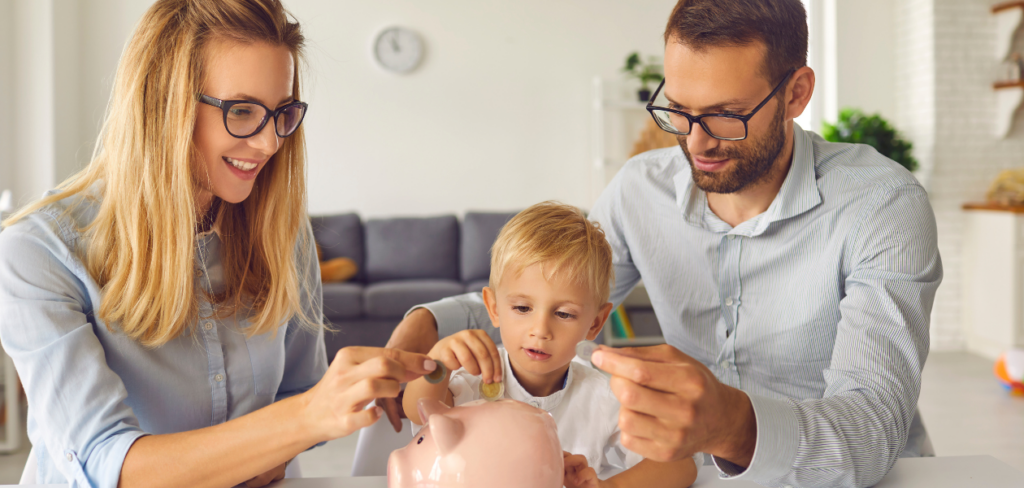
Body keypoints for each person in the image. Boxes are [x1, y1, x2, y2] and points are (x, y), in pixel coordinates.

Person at [380, 1, 942, 487]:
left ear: (796, 93)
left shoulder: (882, 204)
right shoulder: (639, 189)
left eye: (725, 116)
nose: (695, 143)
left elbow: (873, 428)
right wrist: (429, 320)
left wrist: (732, 425)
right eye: (678, 109)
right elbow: (544, 293)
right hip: (694, 475)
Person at [0, 1, 435, 487]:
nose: (271, 143)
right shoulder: (38, 252)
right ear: (163, 104)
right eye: (242, 110)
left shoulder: (283, 235)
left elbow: (299, 392)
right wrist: (305, 418)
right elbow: (109, 467)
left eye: (281, 113)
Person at [401, 202, 698, 488]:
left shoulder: (604, 397)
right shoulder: (473, 379)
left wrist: (611, 486)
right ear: (493, 307)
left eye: (563, 314)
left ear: (595, 323)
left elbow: (681, 464)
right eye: (521, 308)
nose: (540, 330)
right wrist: (438, 363)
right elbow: (418, 410)